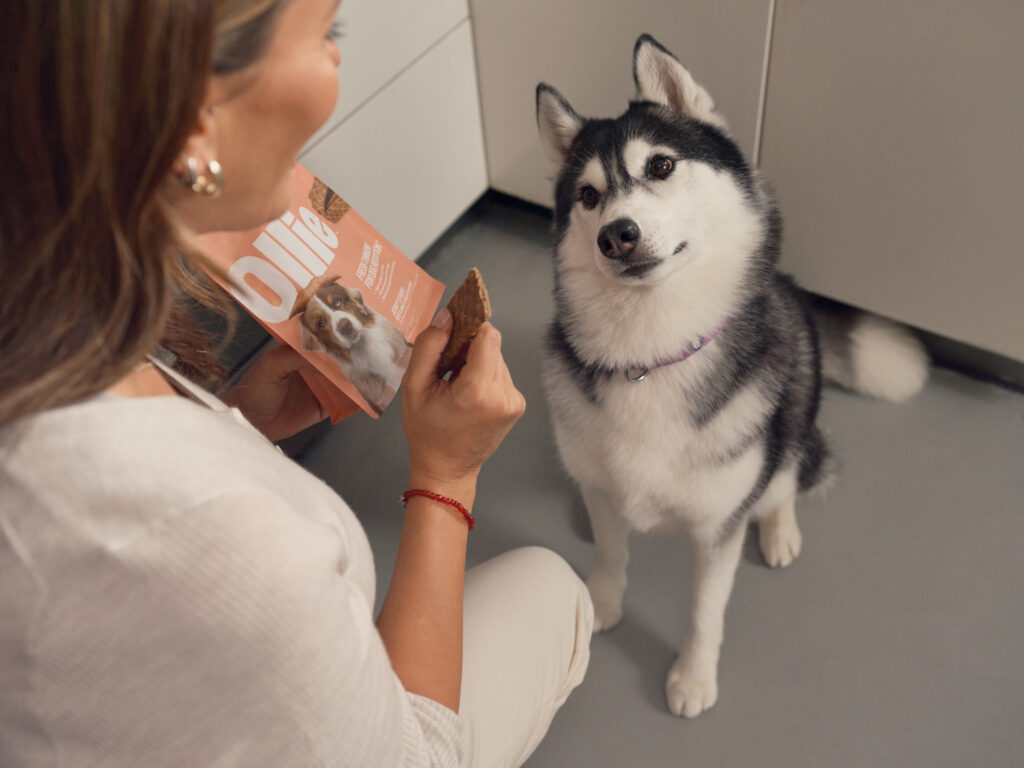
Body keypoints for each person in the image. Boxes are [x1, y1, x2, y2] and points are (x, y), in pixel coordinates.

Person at [0, 1, 593, 766]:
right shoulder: (215, 542)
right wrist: (448, 477)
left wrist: (232, 423)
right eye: (328, 34)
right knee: (556, 591)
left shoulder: (40, 318)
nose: (337, 66)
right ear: (193, 123)